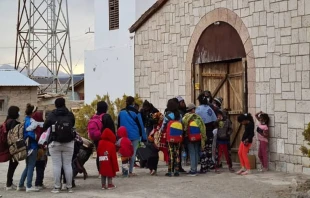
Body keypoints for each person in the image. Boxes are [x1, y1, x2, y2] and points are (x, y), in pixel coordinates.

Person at [43, 97, 75, 193]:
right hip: (69, 143)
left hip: (55, 143)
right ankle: (69, 187)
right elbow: (72, 124)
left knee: (57, 165)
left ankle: (57, 187)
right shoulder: (70, 114)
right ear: (64, 104)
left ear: (56, 105)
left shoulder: (52, 115)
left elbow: (45, 126)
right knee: (68, 165)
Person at [118, 96, 146, 177]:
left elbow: (119, 124)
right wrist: (143, 137)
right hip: (134, 135)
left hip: (123, 135)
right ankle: (130, 171)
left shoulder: (121, 112)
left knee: (124, 153)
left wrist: (118, 135)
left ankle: (124, 171)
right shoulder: (136, 112)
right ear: (133, 103)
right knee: (132, 153)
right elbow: (141, 125)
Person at [18, 104, 43, 192]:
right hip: (32, 146)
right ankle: (29, 186)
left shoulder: (25, 120)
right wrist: (38, 138)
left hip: (26, 146)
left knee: (28, 166)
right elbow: (31, 134)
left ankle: (21, 185)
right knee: (31, 166)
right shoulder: (32, 121)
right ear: (33, 112)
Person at [182, 103, 206, 176]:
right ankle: (195, 168)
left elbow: (184, 128)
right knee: (196, 152)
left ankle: (193, 170)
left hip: (189, 138)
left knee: (192, 153)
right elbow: (202, 128)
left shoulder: (185, 118)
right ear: (193, 110)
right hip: (198, 137)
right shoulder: (198, 118)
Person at [196, 93, 217, 173]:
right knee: (209, 150)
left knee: (203, 149)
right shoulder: (210, 109)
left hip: (202, 132)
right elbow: (214, 121)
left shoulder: (198, 110)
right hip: (210, 132)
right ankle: (208, 166)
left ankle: (203, 167)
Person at [161, 99, 182, 177]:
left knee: (171, 153)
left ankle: (170, 171)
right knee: (177, 153)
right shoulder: (179, 114)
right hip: (178, 136)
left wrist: (161, 131)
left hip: (170, 136)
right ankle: (177, 170)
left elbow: (163, 125)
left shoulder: (168, 114)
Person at [92, 101, 116, 173]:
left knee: (99, 154)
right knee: (106, 155)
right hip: (106, 140)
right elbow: (111, 129)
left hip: (97, 139)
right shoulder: (107, 116)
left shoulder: (94, 117)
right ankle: (106, 171)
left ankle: (100, 171)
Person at [4, 106, 20, 191]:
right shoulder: (13, 122)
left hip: (9, 146)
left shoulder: (7, 120)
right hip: (12, 146)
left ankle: (9, 183)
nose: (19, 113)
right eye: (18, 112)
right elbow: (13, 134)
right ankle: (9, 184)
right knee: (13, 164)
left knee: (13, 164)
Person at [32, 111, 47, 189]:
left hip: (33, 149)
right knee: (41, 166)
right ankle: (39, 183)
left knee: (31, 167)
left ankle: (28, 183)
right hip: (41, 149)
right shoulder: (43, 126)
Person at [175, 96, 187, 173]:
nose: (184, 103)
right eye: (182, 102)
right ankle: (177, 166)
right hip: (178, 133)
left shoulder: (183, 111)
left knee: (179, 150)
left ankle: (179, 166)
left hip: (181, 133)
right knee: (177, 150)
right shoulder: (178, 112)